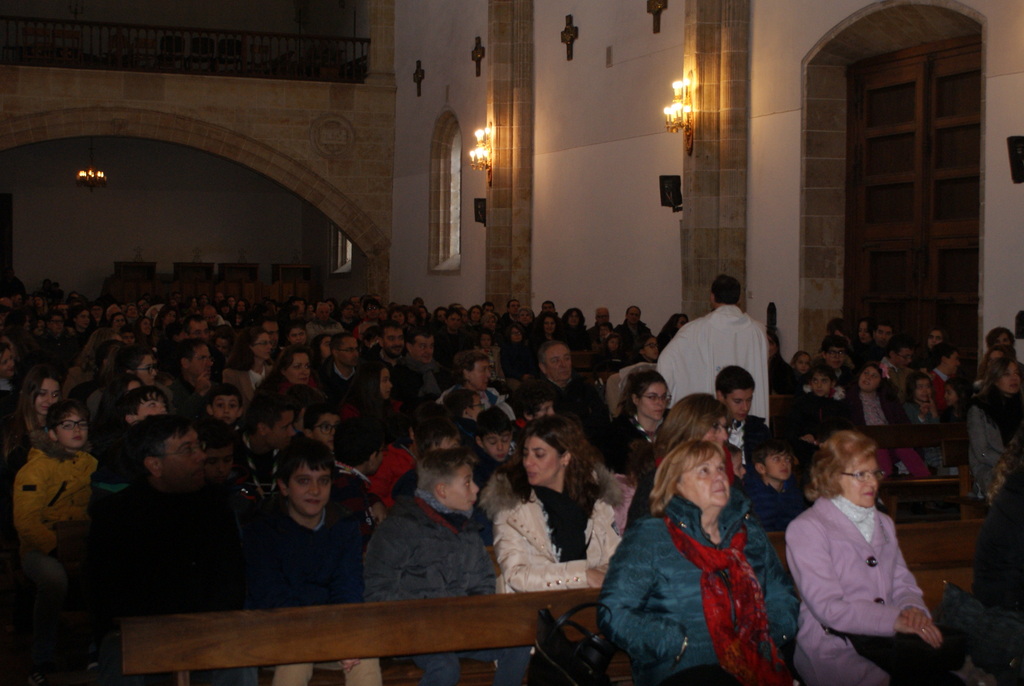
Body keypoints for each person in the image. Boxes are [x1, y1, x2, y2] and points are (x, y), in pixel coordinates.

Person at [598, 439, 797, 686]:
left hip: (755, 666)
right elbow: (615, 612)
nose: (719, 476)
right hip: (681, 671)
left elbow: (782, 595)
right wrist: (675, 643)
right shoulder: (650, 536)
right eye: (704, 470)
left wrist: (767, 635)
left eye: (720, 468)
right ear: (676, 484)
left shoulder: (750, 532)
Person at [88, 415, 256, 686]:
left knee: (239, 660)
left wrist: (204, 623)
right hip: (140, 632)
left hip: (205, 628)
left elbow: (230, 580)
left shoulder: (215, 506)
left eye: (199, 446)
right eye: (188, 449)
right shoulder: (116, 515)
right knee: (119, 658)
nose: (201, 456)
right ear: (154, 464)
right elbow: (106, 594)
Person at [786, 430, 955, 686]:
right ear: (831, 476)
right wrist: (894, 620)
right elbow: (829, 607)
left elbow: (902, 583)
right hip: (836, 649)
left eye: (875, 473)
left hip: (887, 646)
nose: (872, 482)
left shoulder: (883, 522)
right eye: (860, 475)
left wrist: (913, 611)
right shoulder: (807, 528)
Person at [364, 447, 531, 686]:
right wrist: (429, 618)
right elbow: (378, 592)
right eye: (467, 482)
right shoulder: (397, 530)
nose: (476, 489)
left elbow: (483, 583)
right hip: (411, 632)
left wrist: (468, 616)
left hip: (458, 628)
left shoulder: (466, 529)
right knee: (445, 667)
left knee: (519, 641)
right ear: (442, 490)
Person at [243, 437, 382, 686]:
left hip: (330, 631)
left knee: (363, 656)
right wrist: (316, 633)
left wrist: (345, 635)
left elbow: (348, 586)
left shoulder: (343, 525)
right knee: (297, 657)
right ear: (284, 486)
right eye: (304, 481)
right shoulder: (263, 528)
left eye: (323, 481)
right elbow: (270, 594)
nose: (315, 491)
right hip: (277, 633)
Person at [479, 415, 621, 593]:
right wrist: (582, 576)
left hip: (591, 600)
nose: (528, 462)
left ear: (565, 457)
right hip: (533, 606)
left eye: (539, 455)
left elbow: (616, 558)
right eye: (525, 454)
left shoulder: (594, 495)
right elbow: (516, 575)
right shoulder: (511, 503)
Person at [15, 400, 97, 685]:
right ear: (52, 433)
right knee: (53, 579)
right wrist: (55, 547)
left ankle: (99, 650)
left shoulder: (92, 464)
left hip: (81, 541)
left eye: (82, 424)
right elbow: (26, 521)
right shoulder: (35, 469)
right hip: (41, 547)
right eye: (68, 425)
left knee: (107, 572)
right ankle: (42, 658)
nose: (77, 430)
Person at [658, 274, 770, 420]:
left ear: (712, 297)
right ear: (739, 298)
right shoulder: (757, 331)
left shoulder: (693, 330)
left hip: (707, 421)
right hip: (749, 421)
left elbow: (667, 363)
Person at [845, 361, 930, 477]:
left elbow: (903, 424)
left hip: (890, 440)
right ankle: (885, 483)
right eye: (866, 373)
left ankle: (925, 480)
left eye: (874, 376)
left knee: (903, 447)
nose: (868, 377)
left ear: (880, 382)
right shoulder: (848, 399)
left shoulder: (888, 400)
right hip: (865, 443)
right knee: (881, 448)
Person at [536, 341, 610, 454]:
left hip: (589, 447)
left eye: (567, 358)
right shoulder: (539, 394)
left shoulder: (585, 388)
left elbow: (602, 421)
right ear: (543, 367)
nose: (563, 364)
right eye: (555, 361)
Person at [968, 357, 1023, 498]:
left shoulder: (1021, 405)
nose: (1014, 378)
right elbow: (982, 452)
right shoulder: (979, 408)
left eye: (1016, 373)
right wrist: (1012, 464)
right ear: (995, 379)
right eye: (1006, 374)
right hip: (991, 468)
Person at [605, 369, 668, 474]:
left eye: (663, 397)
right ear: (636, 399)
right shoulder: (617, 433)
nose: (660, 403)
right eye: (652, 397)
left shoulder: (674, 425)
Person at [743, 439, 806, 532]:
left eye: (787, 459)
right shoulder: (751, 496)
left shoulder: (794, 493)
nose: (784, 464)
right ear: (761, 468)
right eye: (776, 459)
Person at [716, 365, 771, 469]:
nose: (745, 408)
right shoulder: (710, 430)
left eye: (749, 400)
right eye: (738, 401)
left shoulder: (759, 430)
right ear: (721, 396)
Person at [223, 326, 274, 409]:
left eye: (270, 342)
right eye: (264, 343)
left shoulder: (273, 371)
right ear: (249, 346)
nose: (270, 347)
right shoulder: (232, 374)